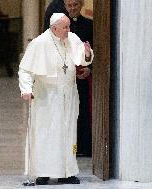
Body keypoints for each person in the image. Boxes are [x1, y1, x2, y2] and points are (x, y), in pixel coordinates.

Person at [18, 13, 93, 185]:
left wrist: (87, 54)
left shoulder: (72, 38)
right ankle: (44, 172)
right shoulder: (39, 43)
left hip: (69, 94)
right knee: (47, 135)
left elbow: (83, 58)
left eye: (68, 26)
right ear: (54, 29)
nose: (69, 30)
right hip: (47, 97)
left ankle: (67, 173)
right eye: (65, 27)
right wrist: (26, 89)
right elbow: (25, 70)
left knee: (68, 133)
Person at [44, 0, 93, 156]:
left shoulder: (89, 25)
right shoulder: (59, 26)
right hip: (62, 78)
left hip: (82, 78)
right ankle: (64, 148)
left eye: (75, 5)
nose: (73, 8)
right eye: (69, 6)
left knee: (82, 110)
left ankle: (83, 147)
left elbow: (91, 51)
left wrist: (89, 68)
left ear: (81, 5)